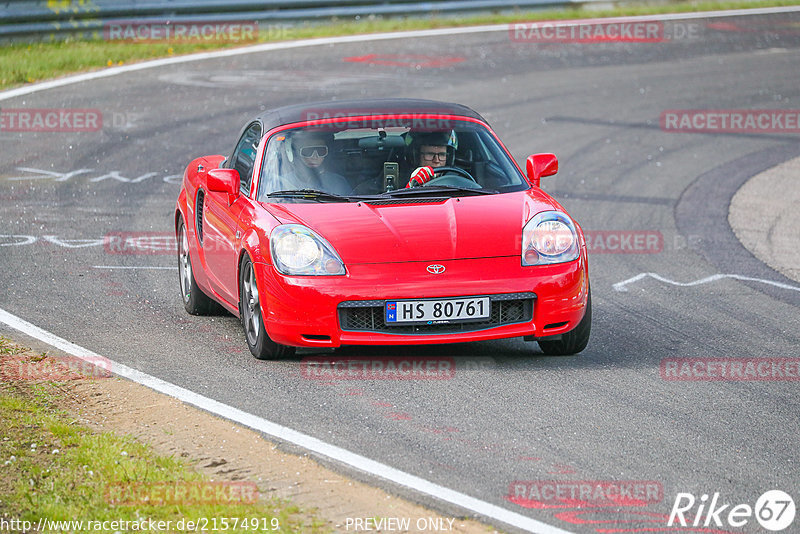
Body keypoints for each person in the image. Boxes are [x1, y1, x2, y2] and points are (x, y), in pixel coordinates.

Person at [281, 130, 351, 195]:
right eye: (308, 151)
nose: (314, 157)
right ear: (296, 153)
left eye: (321, 151)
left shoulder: (338, 182)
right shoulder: (284, 182)